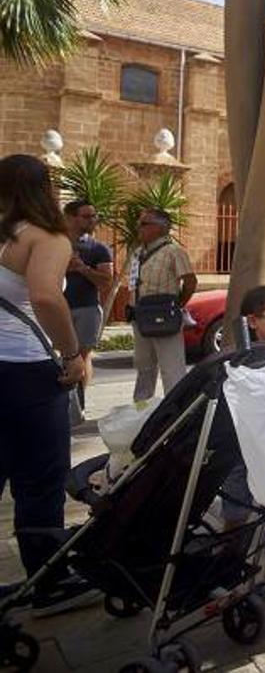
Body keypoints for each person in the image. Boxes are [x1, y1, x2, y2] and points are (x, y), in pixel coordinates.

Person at [0, 155, 90, 611]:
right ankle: (48, 581)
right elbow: (43, 295)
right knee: (39, 478)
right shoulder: (47, 235)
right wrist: (73, 354)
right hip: (26, 371)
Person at [129, 209, 196, 402]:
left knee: (172, 369)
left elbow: (190, 282)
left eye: (144, 223)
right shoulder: (138, 253)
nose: (138, 227)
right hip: (141, 317)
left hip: (164, 317)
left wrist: (177, 305)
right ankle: (141, 409)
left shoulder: (173, 252)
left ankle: (176, 411)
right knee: (144, 367)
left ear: (160, 228)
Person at [62, 198, 113, 411]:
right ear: (71, 218)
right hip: (59, 309)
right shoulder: (54, 244)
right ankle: (64, 401)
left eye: (94, 216)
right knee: (61, 356)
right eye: (86, 216)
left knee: (82, 356)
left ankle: (78, 404)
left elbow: (105, 281)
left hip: (87, 309)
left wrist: (83, 268)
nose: (92, 220)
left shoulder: (98, 248)